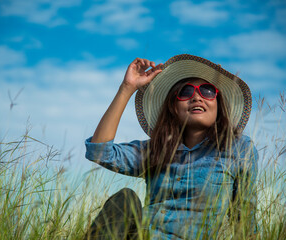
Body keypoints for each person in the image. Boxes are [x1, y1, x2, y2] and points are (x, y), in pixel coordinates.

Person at [84, 54, 258, 239]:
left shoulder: (239, 148)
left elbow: (245, 220)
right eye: (186, 92)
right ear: (174, 107)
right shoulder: (156, 149)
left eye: (207, 90)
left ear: (218, 105)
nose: (197, 97)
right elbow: (99, 152)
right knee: (125, 199)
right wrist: (127, 88)